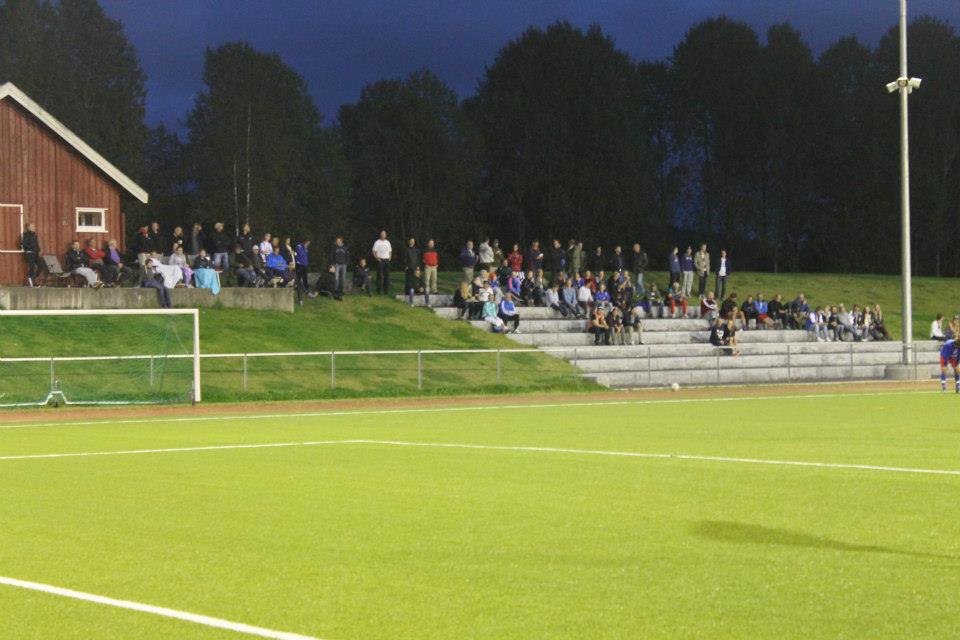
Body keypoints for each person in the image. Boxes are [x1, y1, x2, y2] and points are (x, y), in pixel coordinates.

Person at [371, 230, 392, 294]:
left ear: (386, 235)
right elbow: (374, 251)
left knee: (387, 276)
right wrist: (377, 258)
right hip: (380, 260)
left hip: (387, 260)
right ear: (380, 235)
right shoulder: (377, 242)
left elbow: (390, 251)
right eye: (382, 234)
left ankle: (386, 291)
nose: (383, 235)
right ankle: (379, 290)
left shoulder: (387, 242)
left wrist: (390, 258)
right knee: (379, 276)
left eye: (384, 234)